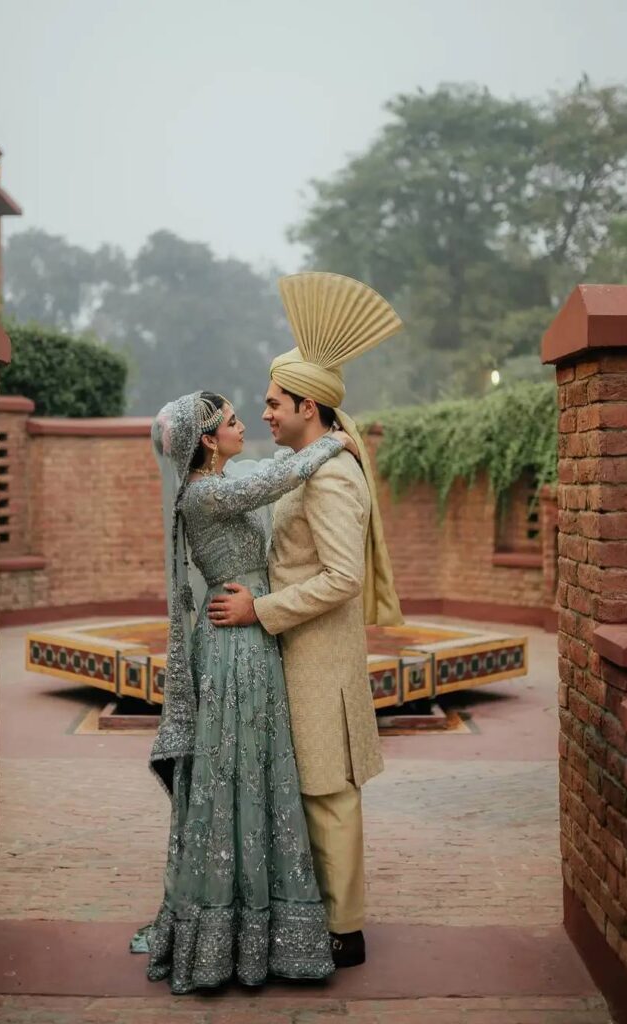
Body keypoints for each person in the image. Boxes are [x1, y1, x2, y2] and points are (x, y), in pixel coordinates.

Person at [208, 271, 403, 969]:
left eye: (272, 402)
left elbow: (343, 578)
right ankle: (314, 916)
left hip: (319, 657)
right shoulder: (306, 466)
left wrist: (259, 609)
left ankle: (345, 932)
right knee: (312, 789)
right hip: (299, 654)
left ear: (306, 406)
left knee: (328, 791)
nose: (264, 413)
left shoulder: (331, 477)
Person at [135, 389, 359, 994]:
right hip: (233, 645)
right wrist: (332, 443)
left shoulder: (222, 479)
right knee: (236, 770)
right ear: (209, 440)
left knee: (253, 767)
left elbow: (267, 469)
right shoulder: (204, 493)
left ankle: (256, 929)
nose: (244, 425)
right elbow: (275, 480)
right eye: (233, 421)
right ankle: (230, 934)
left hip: (251, 632)